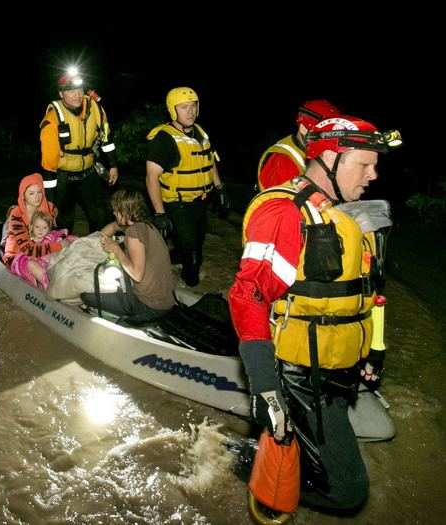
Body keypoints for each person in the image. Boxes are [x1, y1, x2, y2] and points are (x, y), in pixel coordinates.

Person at [228, 114, 402, 512]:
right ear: (329, 158)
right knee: (349, 493)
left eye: (376, 165)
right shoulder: (285, 212)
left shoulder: (350, 215)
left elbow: (370, 295)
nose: (374, 175)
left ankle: (287, 463)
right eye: (365, 163)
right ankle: (256, 474)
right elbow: (248, 294)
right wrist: (265, 387)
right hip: (301, 374)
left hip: (339, 366)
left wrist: (373, 349)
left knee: (324, 454)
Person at [145, 86, 225, 287]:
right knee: (190, 246)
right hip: (177, 202)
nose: (190, 111)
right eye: (183, 107)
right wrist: (160, 213)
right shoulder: (164, 138)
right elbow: (151, 177)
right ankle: (189, 278)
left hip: (200, 200)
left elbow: (209, 160)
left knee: (197, 240)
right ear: (173, 110)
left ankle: (178, 256)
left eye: (193, 106)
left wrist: (219, 188)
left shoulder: (200, 132)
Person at [39, 67, 118, 233]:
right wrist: (50, 200)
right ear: (61, 94)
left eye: (79, 89)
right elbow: (48, 165)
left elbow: (106, 139)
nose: (76, 94)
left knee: (100, 216)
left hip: (89, 173)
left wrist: (113, 165)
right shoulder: (52, 120)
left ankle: (100, 253)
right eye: (70, 91)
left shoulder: (95, 108)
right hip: (63, 178)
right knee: (63, 221)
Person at [81, 188, 176, 322]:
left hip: (147, 305)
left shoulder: (134, 233)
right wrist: (96, 241)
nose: (114, 212)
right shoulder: (147, 225)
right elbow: (114, 226)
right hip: (165, 299)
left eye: (116, 209)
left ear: (125, 211)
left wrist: (117, 250)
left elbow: (137, 275)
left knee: (86, 296)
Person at [257, 99, 340, 191]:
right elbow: (288, 201)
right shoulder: (283, 160)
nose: (326, 141)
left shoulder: (312, 152)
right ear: (303, 128)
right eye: (321, 135)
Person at [3, 173, 65, 268]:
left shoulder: (49, 207)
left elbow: (57, 227)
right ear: (23, 195)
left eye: (39, 192)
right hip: (18, 253)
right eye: (31, 193)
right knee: (36, 266)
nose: (37, 197)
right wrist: (59, 246)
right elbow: (28, 250)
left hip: (40, 246)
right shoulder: (17, 214)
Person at [10, 210, 76, 290]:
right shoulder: (28, 241)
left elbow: (63, 237)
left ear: (49, 228)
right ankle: (46, 285)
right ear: (31, 226)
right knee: (31, 264)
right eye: (37, 227)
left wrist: (65, 241)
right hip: (37, 265)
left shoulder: (51, 237)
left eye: (44, 228)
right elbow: (22, 254)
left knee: (68, 242)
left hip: (53, 264)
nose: (40, 230)